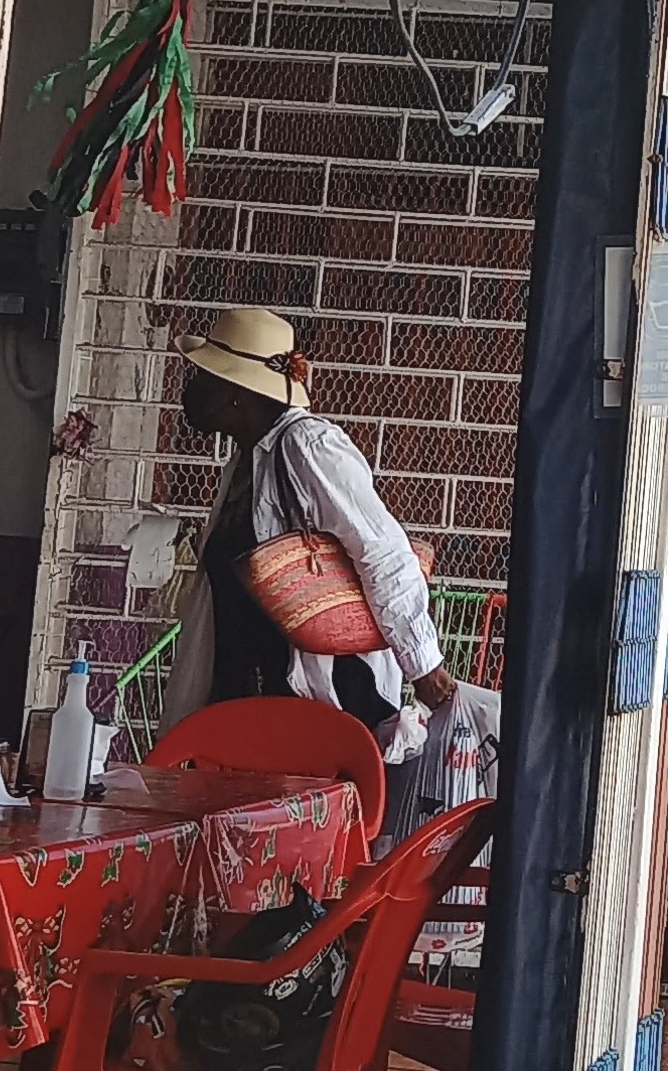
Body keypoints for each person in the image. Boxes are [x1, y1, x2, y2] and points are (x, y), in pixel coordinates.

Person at [161, 302, 454, 750]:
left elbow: (383, 552)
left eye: (207, 379)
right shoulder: (246, 462)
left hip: (315, 705)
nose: (194, 390)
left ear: (235, 393)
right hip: (252, 703)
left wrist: (424, 666)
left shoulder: (308, 447)